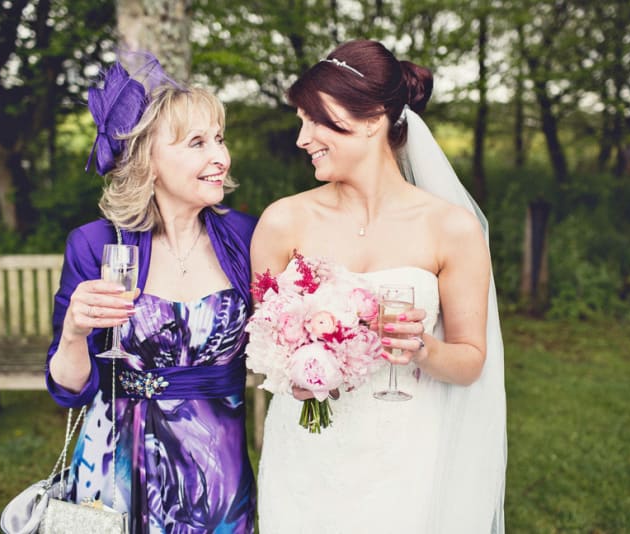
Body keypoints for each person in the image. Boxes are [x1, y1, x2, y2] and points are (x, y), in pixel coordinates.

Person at [251, 40, 506, 533]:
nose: (302, 138)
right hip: (307, 459)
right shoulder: (283, 222)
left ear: (371, 119)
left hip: (406, 458)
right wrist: (294, 372)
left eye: (316, 120)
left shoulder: (451, 228)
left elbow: (470, 360)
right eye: (300, 121)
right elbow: (264, 341)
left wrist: (422, 348)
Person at [45, 54, 257, 533]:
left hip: (217, 470)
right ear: (148, 161)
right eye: (197, 143)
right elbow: (68, 389)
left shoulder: (246, 236)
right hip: (116, 466)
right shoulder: (96, 244)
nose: (220, 157)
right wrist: (76, 333)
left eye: (219, 139)